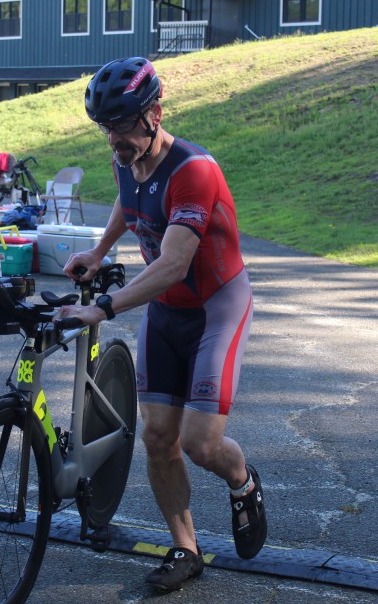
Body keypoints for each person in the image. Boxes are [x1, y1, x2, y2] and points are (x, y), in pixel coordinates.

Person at [57, 57, 266, 592]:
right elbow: (129, 204)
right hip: (166, 311)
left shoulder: (194, 170)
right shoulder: (126, 159)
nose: (113, 139)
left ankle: (242, 482)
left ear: (155, 114)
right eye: (105, 127)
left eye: (123, 125)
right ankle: (186, 548)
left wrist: (104, 307)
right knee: (156, 436)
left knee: (200, 444)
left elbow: (172, 264)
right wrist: (100, 251)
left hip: (216, 308)